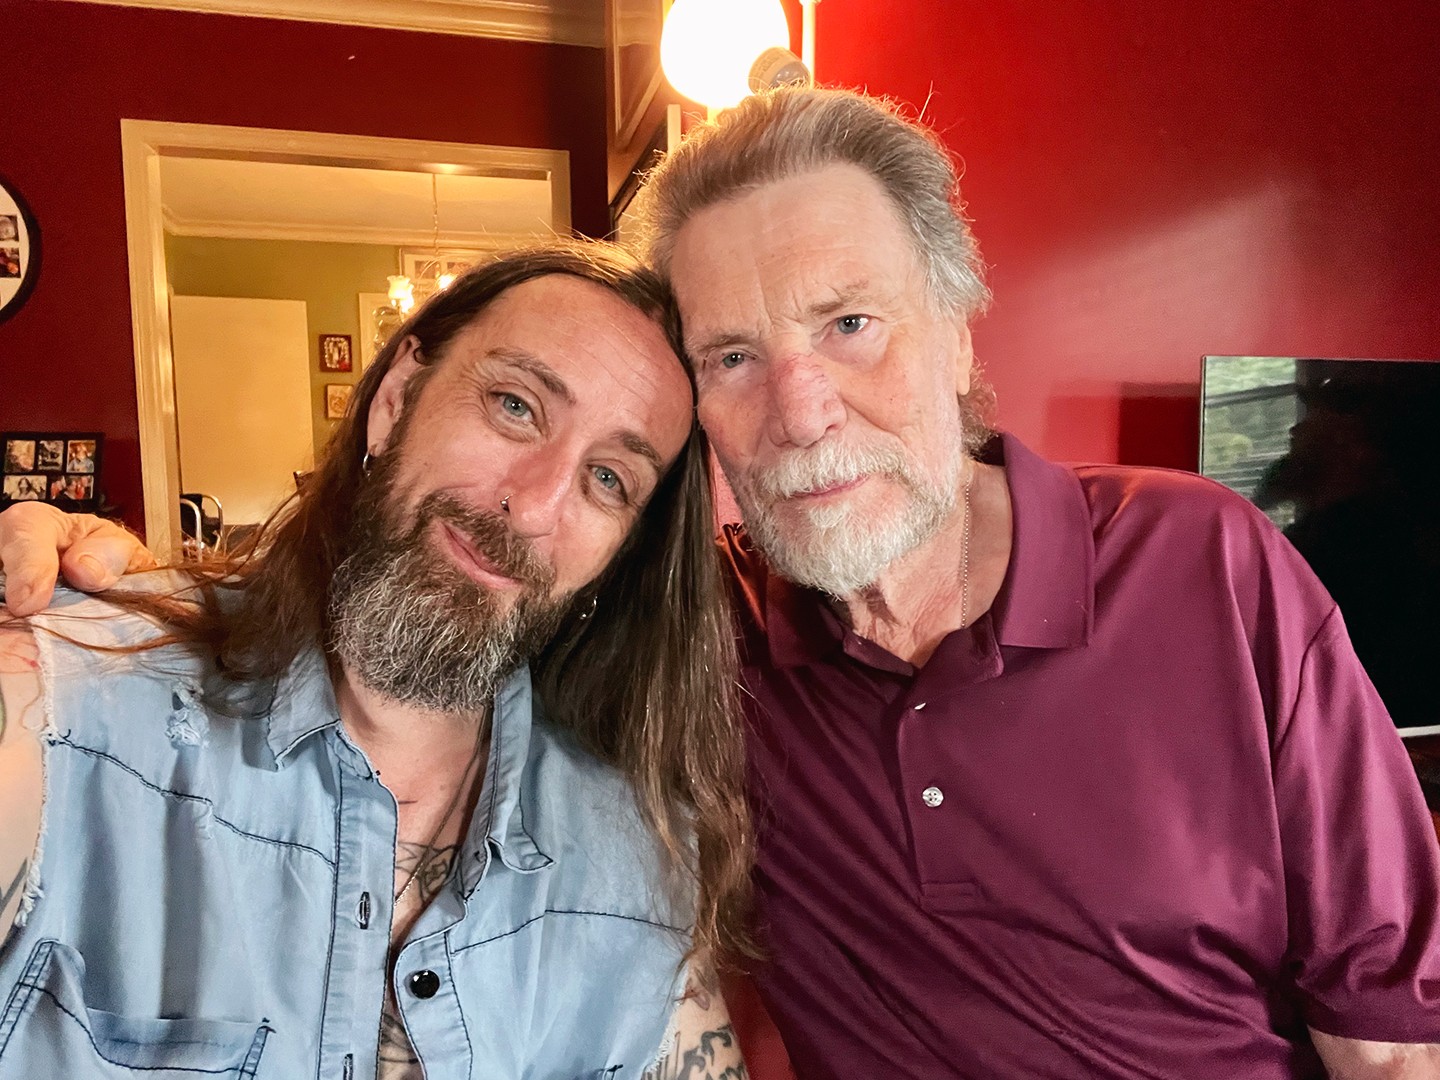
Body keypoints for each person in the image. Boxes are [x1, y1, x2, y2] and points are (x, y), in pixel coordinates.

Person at [8, 88, 1440, 1079]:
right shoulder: (701, 658)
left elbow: (1391, 1038)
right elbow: (434, 601)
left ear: (956, 334)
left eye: (851, 323)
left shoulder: (1209, 565)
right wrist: (116, 584)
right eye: (734, 358)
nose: (801, 413)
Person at [0, 242, 752, 1079]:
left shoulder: (638, 860)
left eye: (608, 479)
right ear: (396, 400)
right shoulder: (71, 707)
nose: (536, 505)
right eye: (515, 406)